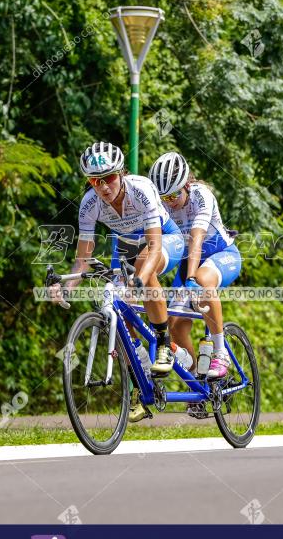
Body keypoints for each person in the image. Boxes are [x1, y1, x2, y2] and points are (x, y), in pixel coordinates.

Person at [50, 142, 185, 422]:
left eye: (109, 178)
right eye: (94, 181)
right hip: (123, 246)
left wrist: (139, 278)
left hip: (163, 240)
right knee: (115, 309)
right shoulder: (89, 205)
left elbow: (155, 247)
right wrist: (67, 286)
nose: (103, 187)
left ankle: (163, 343)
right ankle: (142, 378)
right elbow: (83, 259)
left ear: (121, 173)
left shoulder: (141, 189)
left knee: (143, 270)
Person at [148, 151, 242, 382]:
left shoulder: (202, 196)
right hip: (187, 264)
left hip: (221, 255)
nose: (169, 202)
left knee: (201, 279)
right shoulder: (161, 204)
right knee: (175, 326)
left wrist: (190, 279)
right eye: (164, 198)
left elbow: (196, 238)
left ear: (187, 184)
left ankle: (220, 353)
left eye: (174, 195)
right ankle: (198, 381)